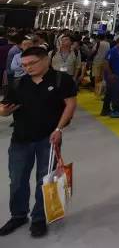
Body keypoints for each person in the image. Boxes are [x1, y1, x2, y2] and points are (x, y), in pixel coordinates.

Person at [0, 46, 77, 239]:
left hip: (48, 139)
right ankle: (18, 215)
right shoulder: (19, 83)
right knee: (17, 180)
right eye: (24, 65)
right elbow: (4, 107)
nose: (27, 68)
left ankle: (39, 218)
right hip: (20, 139)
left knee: (45, 180)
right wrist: (4, 111)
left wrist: (59, 129)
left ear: (45, 60)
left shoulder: (61, 80)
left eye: (32, 63)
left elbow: (70, 104)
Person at [103, 37, 119, 118]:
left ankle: (105, 110)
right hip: (113, 76)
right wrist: (110, 74)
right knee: (115, 94)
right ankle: (115, 111)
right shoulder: (113, 50)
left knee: (110, 93)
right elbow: (106, 62)